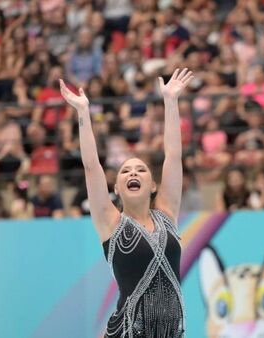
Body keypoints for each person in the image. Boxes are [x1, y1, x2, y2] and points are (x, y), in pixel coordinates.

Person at [59, 68, 192, 338]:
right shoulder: (111, 223)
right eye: (125, 171)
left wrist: (171, 102)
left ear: (153, 185)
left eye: (141, 170)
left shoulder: (167, 213)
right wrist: (83, 113)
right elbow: (91, 167)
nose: (133, 173)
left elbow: (174, 156)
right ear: (117, 187)